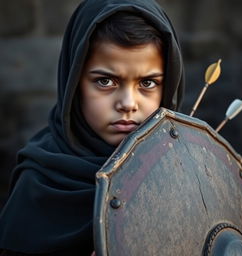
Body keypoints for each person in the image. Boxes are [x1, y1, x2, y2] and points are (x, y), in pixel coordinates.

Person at [0, 0, 184, 255]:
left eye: (148, 83)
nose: (128, 104)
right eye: (105, 81)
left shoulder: (185, 171)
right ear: (74, 82)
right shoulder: (41, 183)